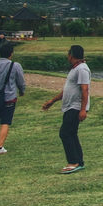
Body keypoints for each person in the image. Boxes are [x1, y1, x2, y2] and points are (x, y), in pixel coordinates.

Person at [41, 44, 90, 174]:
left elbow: (85, 90)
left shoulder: (82, 69)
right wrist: (52, 101)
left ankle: (73, 162)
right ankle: (79, 162)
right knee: (71, 133)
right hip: (70, 107)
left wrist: (83, 109)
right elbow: (67, 90)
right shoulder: (75, 69)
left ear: (71, 55)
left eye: (68, 53)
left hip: (76, 106)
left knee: (65, 133)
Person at [0, 41, 26, 154]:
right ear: (11, 54)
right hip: (9, 97)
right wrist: (22, 91)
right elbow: (20, 81)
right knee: (5, 122)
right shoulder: (15, 65)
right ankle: (0, 147)